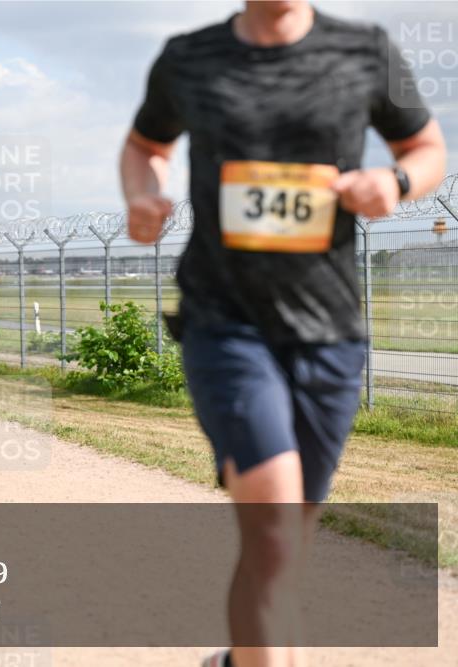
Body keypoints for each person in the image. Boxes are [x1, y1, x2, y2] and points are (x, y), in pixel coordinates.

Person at [120, 2, 447, 666]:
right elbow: (145, 147)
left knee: (283, 546)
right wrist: (142, 196)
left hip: (329, 331)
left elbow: (427, 148)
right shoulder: (189, 57)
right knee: (273, 530)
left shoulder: (365, 50)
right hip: (225, 322)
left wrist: (395, 180)